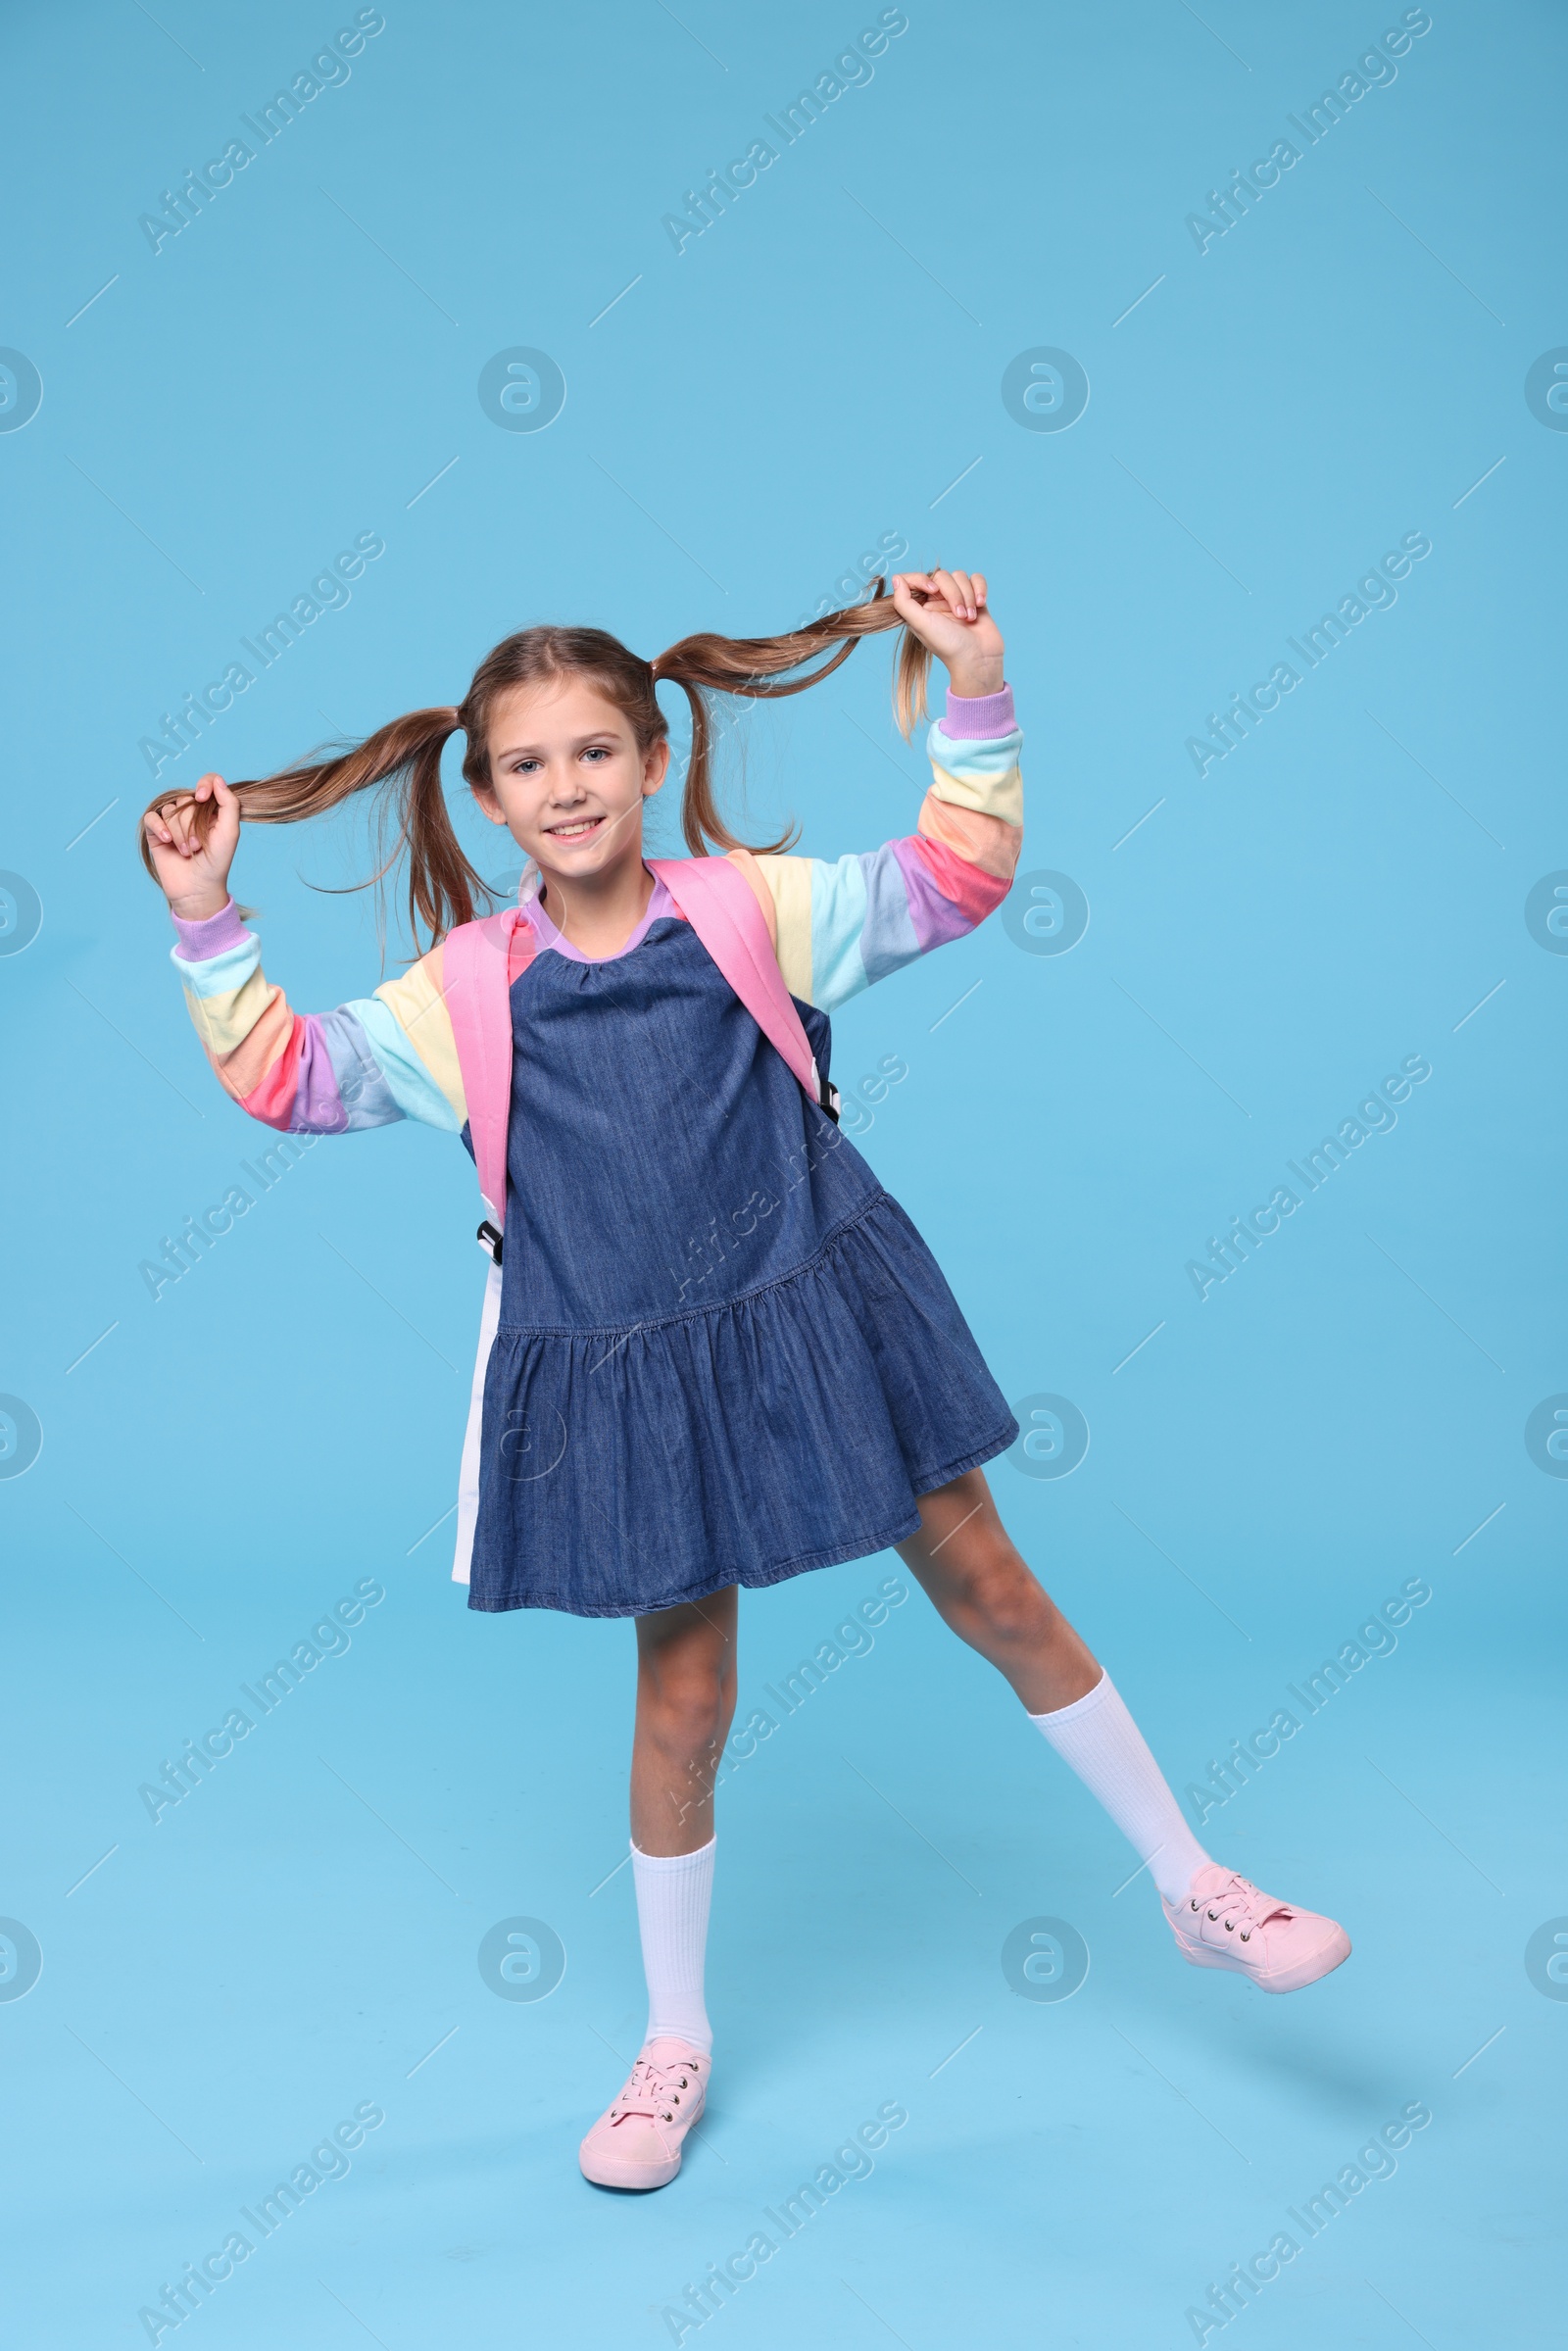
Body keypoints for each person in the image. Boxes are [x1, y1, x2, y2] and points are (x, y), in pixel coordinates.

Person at [141, 565, 1348, 2194]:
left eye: (593, 753)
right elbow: (287, 1074)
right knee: (689, 1691)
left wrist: (974, 682)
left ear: (650, 759)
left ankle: (1195, 1884)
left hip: (813, 1311)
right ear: (487, 795)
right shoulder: (469, 991)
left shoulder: (747, 910)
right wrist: (208, 917)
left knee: (987, 1577)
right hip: (632, 1372)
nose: (564, 788)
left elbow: (956, 874)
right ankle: (673, 2039)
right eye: (527, 765)